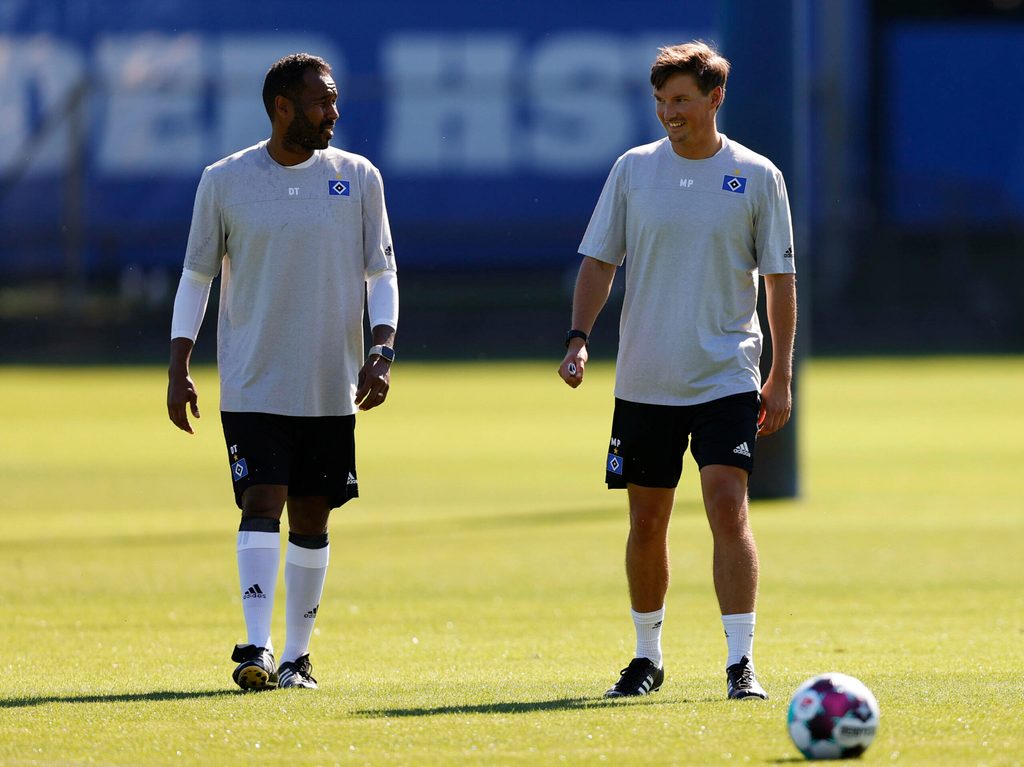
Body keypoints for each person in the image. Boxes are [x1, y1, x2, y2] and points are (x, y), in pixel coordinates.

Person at [558, 41, 796, 700]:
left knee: (727, 506)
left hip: (726, 373)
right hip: (646, 379)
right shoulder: (634, 171)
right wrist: (579, 338)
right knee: (648, 520)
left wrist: (779, 374)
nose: (669, 113)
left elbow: (779, 279)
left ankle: (741, 661)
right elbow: (600, 261)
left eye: (682, 100)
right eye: (661, 101)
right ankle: (646, 655)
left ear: (715, 98)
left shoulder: (756, 176)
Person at [166, 53, 399, 691]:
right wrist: (178, 361)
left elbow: (382, 273)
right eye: (322, 101)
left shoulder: (357, 177)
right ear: (282, 108)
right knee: (261, 501)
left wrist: (382, 350)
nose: (334, 112)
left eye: (334, 99)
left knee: (313, 515)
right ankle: (254, 647)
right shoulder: (225, 180)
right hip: (252, 380)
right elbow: (196, 277)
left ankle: (298, 656)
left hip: (331, 383)